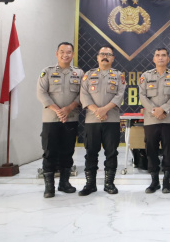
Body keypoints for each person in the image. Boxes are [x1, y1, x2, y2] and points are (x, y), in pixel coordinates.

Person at [36, 42, 83, 198]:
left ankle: (64, 183)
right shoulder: (47, 72)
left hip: (71, 118)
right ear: (57, 54)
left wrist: (68, 109)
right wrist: (58, 110)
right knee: (49, 151)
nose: (65, 55)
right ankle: (49, 187)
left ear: (73, 54)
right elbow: (41, 93)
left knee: (68, 152)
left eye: (69, 52)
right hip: (51, 119)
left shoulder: (79, 73)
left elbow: (82, 94)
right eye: (62, 52)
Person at [79, 45, 127, 196]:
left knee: (111, 153)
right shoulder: (88, 75)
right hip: (92, 120)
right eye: (102, 54)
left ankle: (109, 184)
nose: (105, 56)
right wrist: (97, 111)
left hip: (111, 120)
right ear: (97, 57)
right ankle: (90, 184)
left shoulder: (118, 76)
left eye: (108, 54)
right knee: (90, 152)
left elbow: (120, 95)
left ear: (113, 58)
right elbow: (84, 95)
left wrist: (104, 110)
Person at [138, 47, 170, 194]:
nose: (161, 58)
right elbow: (142, 96)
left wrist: (163, 109)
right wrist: (154, 110)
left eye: (163, 55)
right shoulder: (146, 76)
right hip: (151, 120)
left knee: (169, 151)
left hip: (169, 119)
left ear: (168, 59)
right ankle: (154, 181)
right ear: (154, 59)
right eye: (157, 55)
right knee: (151, 150)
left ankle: (166, 182)